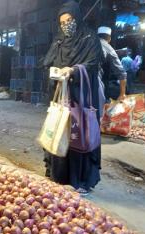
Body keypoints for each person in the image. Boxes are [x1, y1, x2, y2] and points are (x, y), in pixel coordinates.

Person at [43, 1, 102, 195]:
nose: (66, 25)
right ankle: (58, 176)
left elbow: (93, 64)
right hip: (62, 96)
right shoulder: (59, 41)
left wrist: (74, 70)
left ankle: (80, 180)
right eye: (62, 22)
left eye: (69, 20)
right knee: (60, 132)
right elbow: (49, 61)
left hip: (81, 96)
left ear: (76, 18)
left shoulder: (89, 38)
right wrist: (55, 71)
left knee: (78, 135)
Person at [97, 26, 127, 101]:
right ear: (109, 38)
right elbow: (122, 73)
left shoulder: (87, 44)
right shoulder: (108, 48)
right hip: (97, 85)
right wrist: (122, 93)